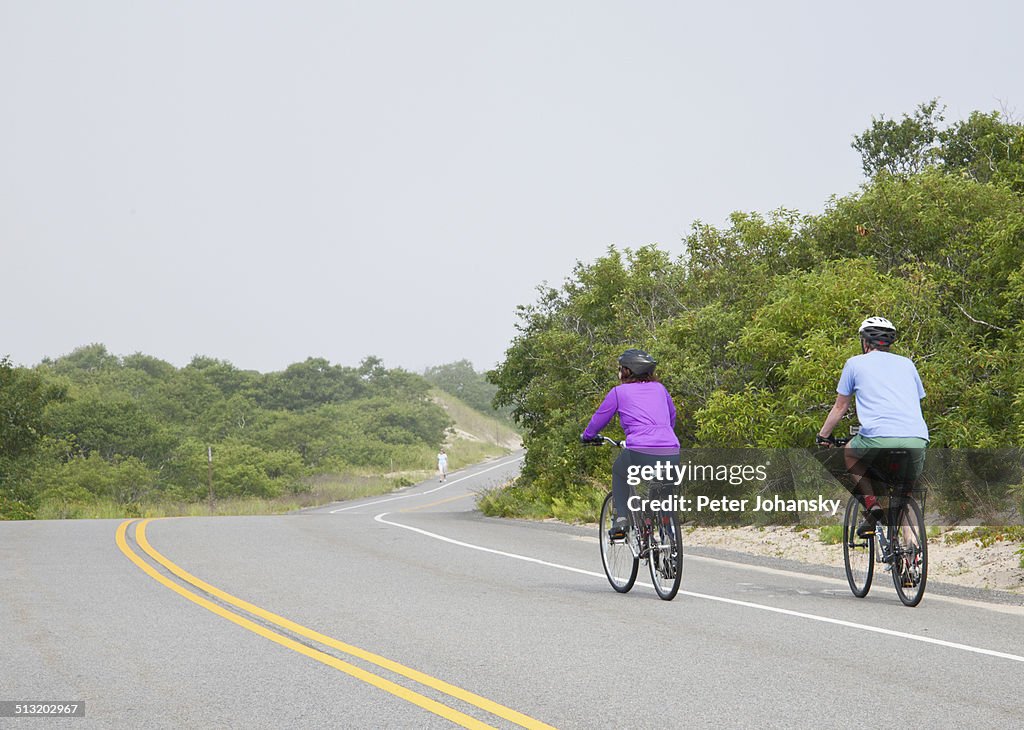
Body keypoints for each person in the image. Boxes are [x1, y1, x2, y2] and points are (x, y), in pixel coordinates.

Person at [817, 317, 928, 536]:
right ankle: (913, 556)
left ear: (865, 342)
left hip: (876, 438)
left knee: (850, 453)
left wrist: (823, 436)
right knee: (905, 497)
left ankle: (871, 504)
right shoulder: (907, 363)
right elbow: (916, 400)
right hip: (916, 438)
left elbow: (840, 408)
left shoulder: (855, 363)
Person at [581, 349, 680, 540]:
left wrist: (587, 436)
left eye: (620, 368)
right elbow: (672, 416)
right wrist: (664, 434)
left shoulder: (619, 392)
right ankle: (667, 529)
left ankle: (621, 519)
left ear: (627, 371)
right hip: (671, 449)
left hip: (640, 449)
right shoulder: (660, 389)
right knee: (662, 486)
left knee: (619, 470)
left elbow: (599, 419)